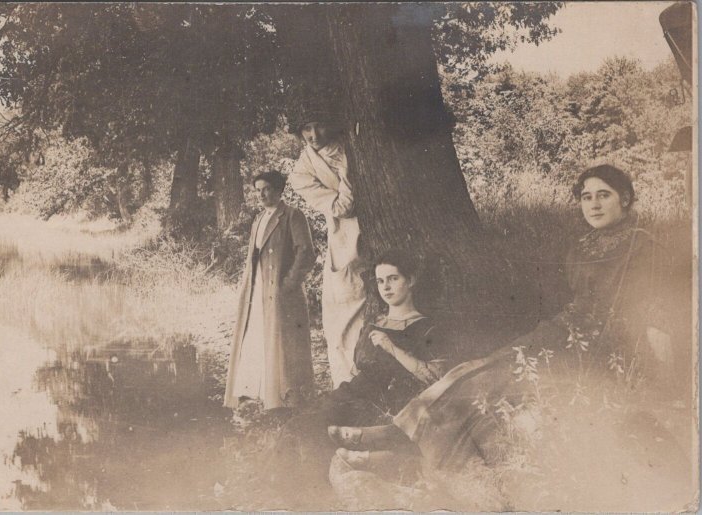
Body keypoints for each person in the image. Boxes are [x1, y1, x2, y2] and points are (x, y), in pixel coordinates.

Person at [328, 165, 690, 511]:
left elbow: (656, 314)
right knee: (474, 368)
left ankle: (401, 438)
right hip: (565, 330)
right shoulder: (582, 245)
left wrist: (661, 380)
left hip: (606, 343)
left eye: (604, 196)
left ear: (625, 199)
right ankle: (403, 428)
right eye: (586, 196)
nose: (593, 204)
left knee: (493, 382)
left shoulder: (645, 246)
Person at [270, 250, 459, 504]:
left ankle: (315, 502)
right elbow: (359, 367)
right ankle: (284, 500)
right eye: (380, 281)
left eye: (393, 279)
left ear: (410, 280)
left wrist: (392, 348)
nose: (386, 287)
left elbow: (433, 378)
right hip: (352, 394)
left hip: (383, 405)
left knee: (315, 434)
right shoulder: (374, 322)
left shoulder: (426, 327)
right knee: (296, 427)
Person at [223, 171, 316, 411]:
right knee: (257, 337)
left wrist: (289, 284)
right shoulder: (258, 219)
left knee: (283, 344)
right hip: (258, 290)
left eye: (266, 189)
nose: (262, 194)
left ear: (279, 189)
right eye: (258, 190)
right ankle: (257, 391)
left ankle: (285, 398)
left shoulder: (293, 216)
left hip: (281, 293)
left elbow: (306, 253)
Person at [288, 112, 366, 388]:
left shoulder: (354, 143)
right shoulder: (302, 171)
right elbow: (342, 208)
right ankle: (348, 381)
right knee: (346, 308)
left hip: (374, 233)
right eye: (306, 129)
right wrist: (348, 173)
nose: (314, 135)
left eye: (319, 124)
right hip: (345, 239)